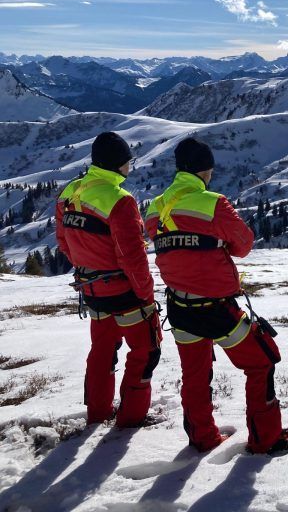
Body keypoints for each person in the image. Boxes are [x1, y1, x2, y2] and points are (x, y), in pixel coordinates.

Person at [145, 137, 288, 454]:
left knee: (195, 374)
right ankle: (266, 438)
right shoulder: (213, 204)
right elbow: (243, 245)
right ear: (204, 170)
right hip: (216, 309)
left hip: (178, 307)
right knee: (261, 361)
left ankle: (202, 437)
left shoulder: (155, 208)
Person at [56, 131, 162, 427]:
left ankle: (98, 412)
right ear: (119, 164)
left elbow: (63, 240)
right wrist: (146, 294)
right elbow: (132, 256)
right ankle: (132, 416)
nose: (130, 166)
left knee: (103, 350)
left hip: (91, 290)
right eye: (129, 161)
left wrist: (86, 264)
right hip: (125, 293)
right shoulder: (120, 200)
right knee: (145, 350)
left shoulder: (70, 193)